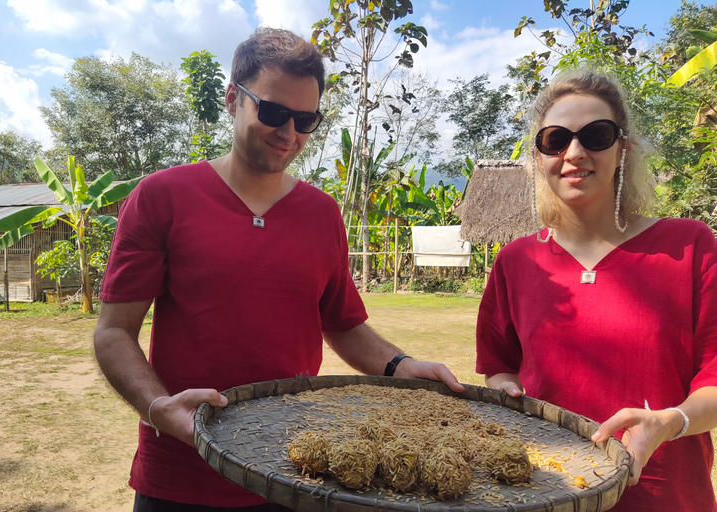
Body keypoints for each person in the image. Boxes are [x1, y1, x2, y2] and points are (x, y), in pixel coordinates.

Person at [93, 27, 464, 512]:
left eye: (306, 120)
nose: (290, 133)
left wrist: (401, 366)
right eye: (273, 112)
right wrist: (158, 409)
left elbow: (342, 324)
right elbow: (113, 333)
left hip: (292, 471)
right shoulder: (162, 196)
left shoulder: (323, 212)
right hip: (182, 471)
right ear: (232, 99)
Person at [475, 69, 717, 512]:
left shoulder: (690, 246)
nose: (574, 152)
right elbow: (499, 366)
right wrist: (509, 392)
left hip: (665, 496)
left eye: (596, 135)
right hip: (545, 494)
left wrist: (669, 422)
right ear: (538, 155)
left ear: (623, 149)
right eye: (555, 139)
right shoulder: (515, 261)